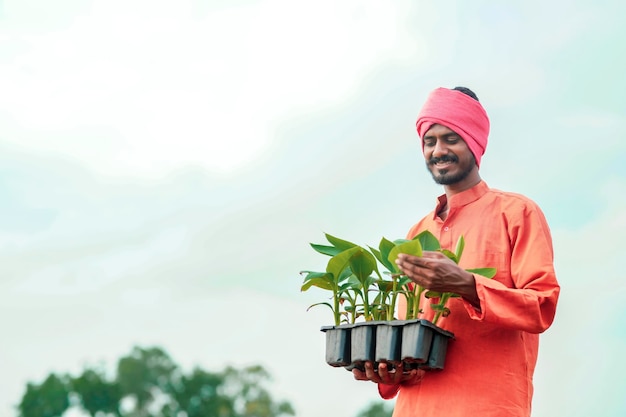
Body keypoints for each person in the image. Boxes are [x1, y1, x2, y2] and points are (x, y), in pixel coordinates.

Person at [352, 86, 560, 417]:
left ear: (474, 143)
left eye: (451, 138)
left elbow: (541, 306)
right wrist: (386, 371)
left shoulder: (516, 213)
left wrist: (466, 284)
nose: (438, 150)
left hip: (487, 406)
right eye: (429, 141)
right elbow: (408, 334)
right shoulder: (417, 233)